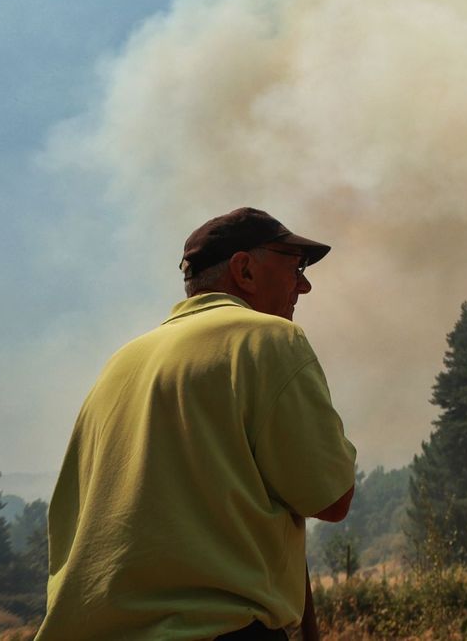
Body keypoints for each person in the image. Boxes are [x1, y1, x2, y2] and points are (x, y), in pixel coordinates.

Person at [37, 207, 358, 641]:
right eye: (294, 266)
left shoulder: (120, 364)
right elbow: (332, 498)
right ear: (244, 269)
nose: (304, 284)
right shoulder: (267, 339)